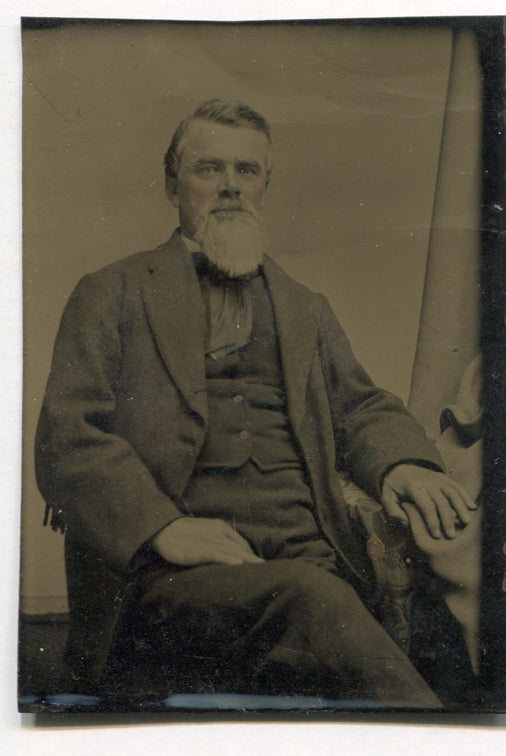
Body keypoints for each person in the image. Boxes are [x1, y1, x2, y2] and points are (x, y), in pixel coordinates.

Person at [36, 99, 476, 708]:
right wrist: (162, 528)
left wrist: (404, 463)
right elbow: (68, 435)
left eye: (246, 171)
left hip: (314, 559)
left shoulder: (304, 306)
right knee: (318, 605)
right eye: (208, 168)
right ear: (172, 183)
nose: (229, 187)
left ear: (266, 185)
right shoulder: (111, 293)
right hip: (173, 578)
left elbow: (359, 406)